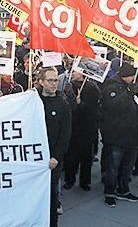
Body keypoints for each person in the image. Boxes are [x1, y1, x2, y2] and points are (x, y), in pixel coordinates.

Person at [99, 63, 138, 207]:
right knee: (113, 167)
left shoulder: (131, 88)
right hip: (116, 135)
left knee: (127, 167)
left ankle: (123, 189)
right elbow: (114, 106)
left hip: (132, 135)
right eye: (131, 75)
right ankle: (110, 192)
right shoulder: (112, 87)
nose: (133, 78)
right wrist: (129, 93)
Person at [38, 67, 71, 227]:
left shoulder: (63, 104)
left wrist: (56, 157)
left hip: (52, 160)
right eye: (50, 80)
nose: (53, 83)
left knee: (51, 194)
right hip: (34, 157)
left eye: (55, 80)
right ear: (41, 82)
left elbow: (65, 134)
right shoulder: (34, 101)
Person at [63, 71, 99, 191]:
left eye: (75, 71)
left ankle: (85, 182)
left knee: (86, 158)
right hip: (73, 126)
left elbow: (95, 108)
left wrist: (81, 104)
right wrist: (70, 96)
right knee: (71, 157)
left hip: (87, 127)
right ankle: (69, 180)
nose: (72, 73)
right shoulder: (70, 85)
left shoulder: (92, 87)